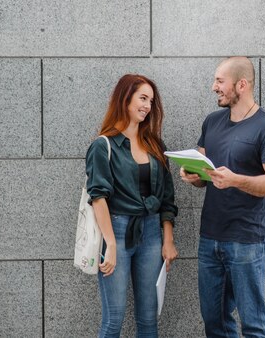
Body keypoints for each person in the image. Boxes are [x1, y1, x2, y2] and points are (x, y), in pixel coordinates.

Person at [181, 56, 265, 337]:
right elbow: (204, 171)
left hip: (247, 240)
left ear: (241, 85)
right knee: (214, 322)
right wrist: (194, 176)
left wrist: (235, 181)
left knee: (253, 324)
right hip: (210, 238)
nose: (213, 87)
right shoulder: (212, 122)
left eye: (219, 81)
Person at [86, 74, 178, 338]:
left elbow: (167, 198)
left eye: (151, 100)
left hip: (151, 232)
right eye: (142, 98)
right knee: (113, 320)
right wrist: (111, 245)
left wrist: (167, 239)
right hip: (116, 229)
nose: (148, 105)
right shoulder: (103, 145)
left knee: (149, 319)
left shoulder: (155, 146)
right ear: (125, 99)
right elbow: (98, 197)